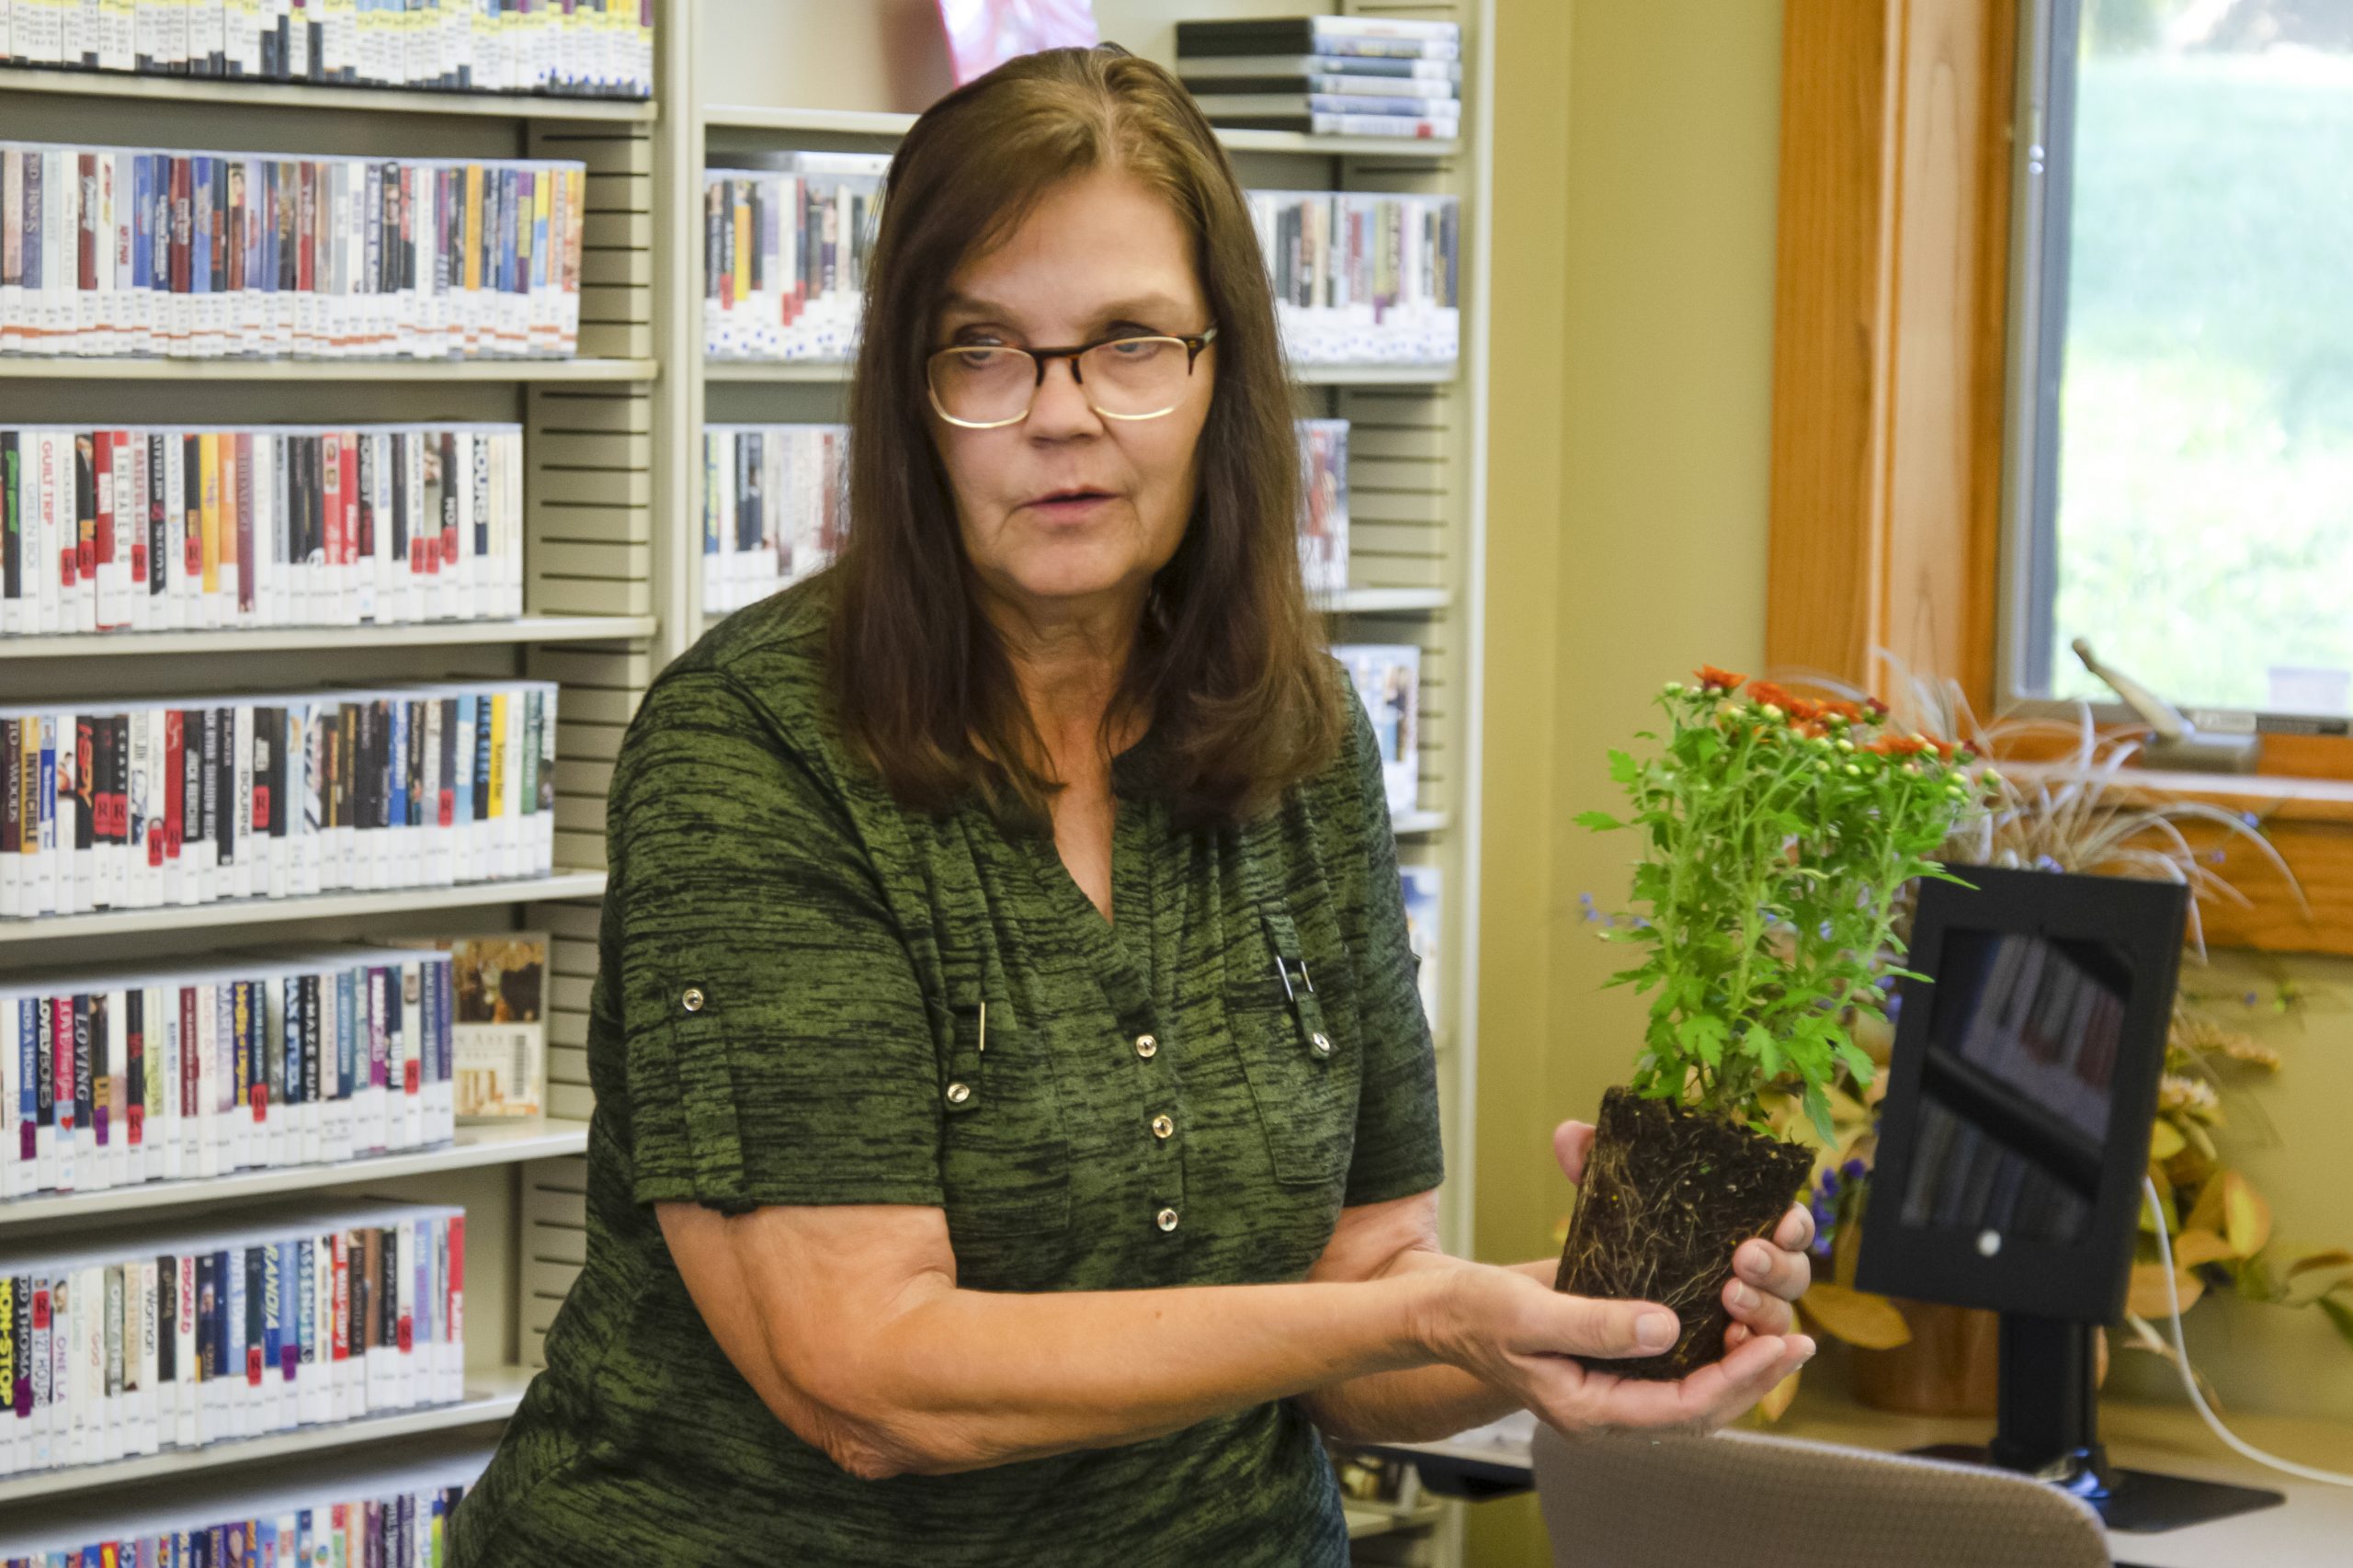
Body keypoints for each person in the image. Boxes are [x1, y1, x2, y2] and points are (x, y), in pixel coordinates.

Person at [449, 45, 1816, 1567]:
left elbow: (1362, 1312)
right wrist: (1420, 1305)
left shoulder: (1303, 741)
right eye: (985, 351)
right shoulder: (755, 747)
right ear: (911, 400)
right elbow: (864, 1374)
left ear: (1218, 368)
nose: (1062, 414)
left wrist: (1575, 1326)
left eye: (1128, 343)